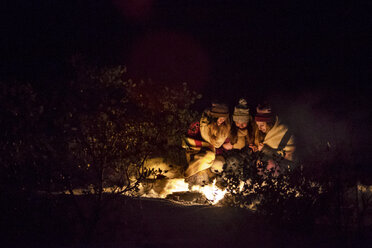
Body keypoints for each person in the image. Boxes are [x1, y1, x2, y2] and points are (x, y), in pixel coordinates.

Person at [182, 102, 231, 185]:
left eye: (223, 118)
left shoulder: (225, 128)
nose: (221, 121)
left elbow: (222, 145)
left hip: (215, 154)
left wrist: (225, 147)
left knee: (217, 162)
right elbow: (190, 138)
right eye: (219, 118)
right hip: (199, 150)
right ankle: (189, 174)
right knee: (208, 157)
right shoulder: (201, 124)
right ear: (213, 117)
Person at [252, 103, 295, 175]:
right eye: (258, 125)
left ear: (269, 123)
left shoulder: (283, 131)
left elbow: (285, 157)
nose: (259, 128)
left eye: (262, 125)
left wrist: (265, 149)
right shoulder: (268, 134)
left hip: (286, 167)